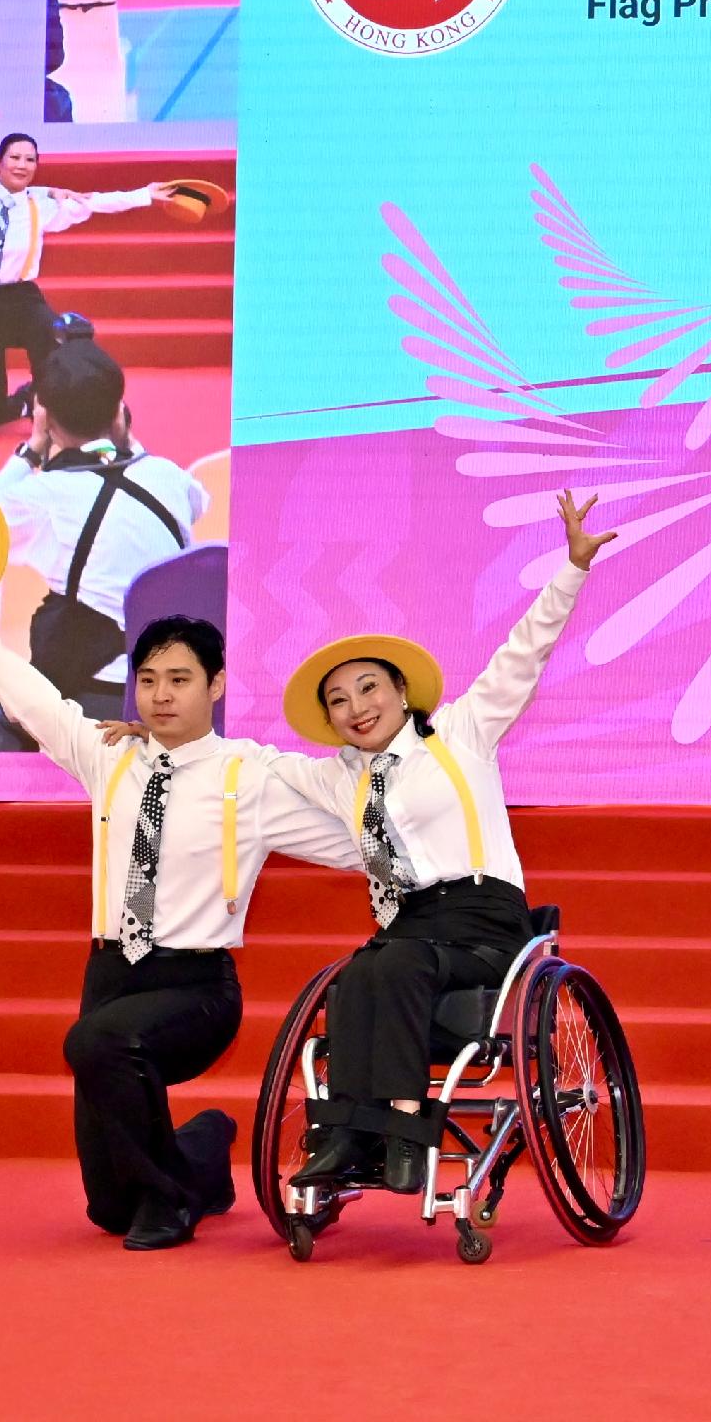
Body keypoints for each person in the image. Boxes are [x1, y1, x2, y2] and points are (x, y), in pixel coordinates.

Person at [0, 605, 363, 1247]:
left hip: (196, 987)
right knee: (110, 1208)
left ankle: (170, 1202)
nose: (161, 695)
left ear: (216, 685)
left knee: (97, 1043)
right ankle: (201, 1150)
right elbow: (35, 700)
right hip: (111, 975)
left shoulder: (247, 775)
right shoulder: (111, 755)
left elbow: (349, 843)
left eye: (180, 679)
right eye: (148, 680)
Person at [258, 492, 604, 1196]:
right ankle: (348, 1136)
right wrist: (169, 745)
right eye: (339, 700)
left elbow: (523, 654)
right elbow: (251, 765)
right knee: (360, 970)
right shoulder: (341, 779)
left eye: (368, 688)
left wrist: (570, 568)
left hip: (485, 921)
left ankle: (403, 1137)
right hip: (409, 928)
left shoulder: (462, 732)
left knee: (392, 960)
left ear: (400, 689)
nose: (357, 707)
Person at [0, 340, 205, 744]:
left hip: (88, 702)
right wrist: (127, 442)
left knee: (10, 703)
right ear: (119, 412)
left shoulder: (44, 497)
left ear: (43, 416)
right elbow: (195, 503)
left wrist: (31, 452)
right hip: (173, 690)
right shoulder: (170, 477)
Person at [0, 131, 166, 426]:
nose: (21, 166)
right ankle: (16, 403)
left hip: (21, 296)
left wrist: (144, 195)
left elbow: (92, 202)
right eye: (14, 158)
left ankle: (45, 401)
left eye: (30, 160)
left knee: (51, 334)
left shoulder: (42, 206)